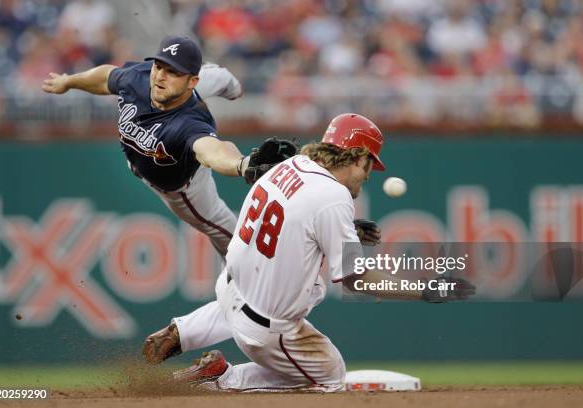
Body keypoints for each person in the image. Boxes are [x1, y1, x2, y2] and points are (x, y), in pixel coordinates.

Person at [142, 113, 475, 392]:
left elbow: (296, 219)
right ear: (358, 156)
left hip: (229, 291)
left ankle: (185, 330)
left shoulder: (290, 166)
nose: (368, 176)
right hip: (265, 329)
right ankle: (221, 379)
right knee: (331, 377)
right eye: (369, 165)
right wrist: (429, 290)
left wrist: (348, 230)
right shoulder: (333, 197)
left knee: (258, 294)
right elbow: (356, 281)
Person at [41, 35, 278, 259]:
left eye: (172, 71)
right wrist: (68, 81)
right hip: (170, 117)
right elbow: (106, 77)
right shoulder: (141, 77)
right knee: (192, 85)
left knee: (223, 230)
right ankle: (222, 79)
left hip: (184, 186)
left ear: (190, 80)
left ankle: (248, 275)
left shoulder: (190, 124)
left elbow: (212, 151)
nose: (160, 76)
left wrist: (242, 164)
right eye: (159, 66)